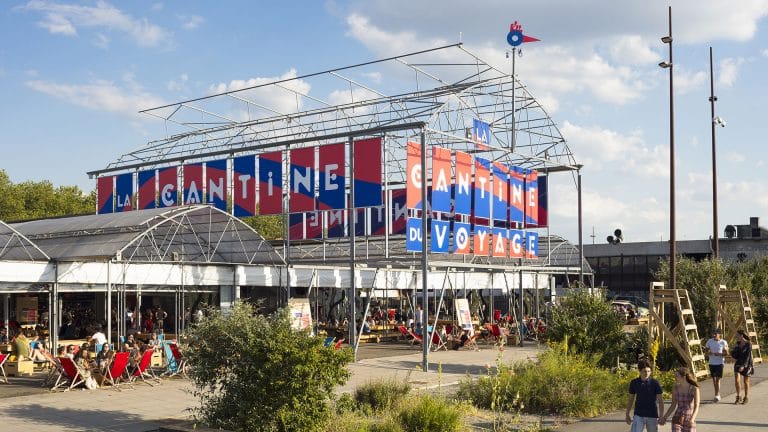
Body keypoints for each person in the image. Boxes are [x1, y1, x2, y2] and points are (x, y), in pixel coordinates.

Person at [625, 358, 665, 431]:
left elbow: (660, 401)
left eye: (649, 371)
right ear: (639, 371)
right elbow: (631, 399)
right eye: (644, 371)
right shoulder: (634, 382)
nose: (647, 373)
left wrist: (661, 416)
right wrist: (627, 414)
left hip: (652, 415)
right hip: (638, 414)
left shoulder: (655, 383)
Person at [661, 367, 700, 432]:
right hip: (677, 417)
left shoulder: (694, 389)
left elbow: (697, 406)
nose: (675, 378)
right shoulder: (675, 388)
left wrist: (692, 419)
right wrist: (665, 417)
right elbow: (673, 405)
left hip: (689, 418)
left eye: (677, 376)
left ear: (684, 377)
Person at [730, 329, 754, 404]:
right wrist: (735, 348)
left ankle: (746, 397)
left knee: (746, 381)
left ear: (741, 335)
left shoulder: (748, 344)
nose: (736, 337)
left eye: (737, 335)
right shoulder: (737, 343)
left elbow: (748, 356)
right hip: (738, 363)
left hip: (747, 364)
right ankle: (738, 396)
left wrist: (744, 365)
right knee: (737, 381)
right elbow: (734, 356)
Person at [704, 327, 728, 402]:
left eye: (715, 334)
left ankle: (717, 395)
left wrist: (720, 354)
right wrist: (709, 353)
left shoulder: (723, 342)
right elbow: (706, 352)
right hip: (711, 363)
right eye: (713, 334)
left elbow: (726, 353)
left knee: (717, 380)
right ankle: (716, 394)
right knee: (714, 380)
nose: (714, 335)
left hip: (720, 363)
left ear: (719, 334)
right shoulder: (709, 341)